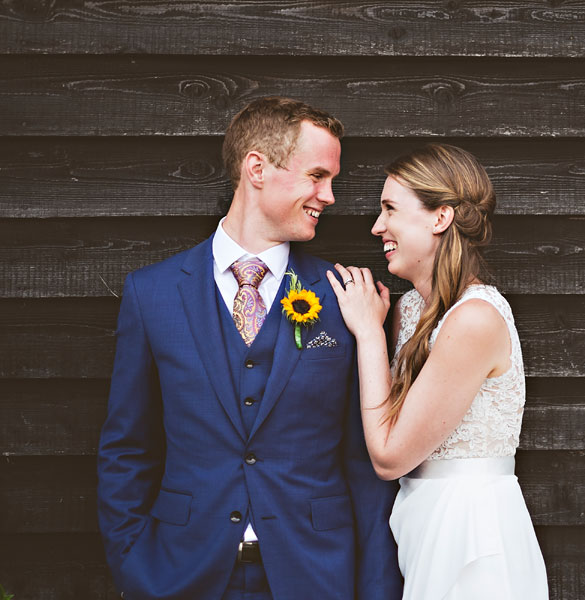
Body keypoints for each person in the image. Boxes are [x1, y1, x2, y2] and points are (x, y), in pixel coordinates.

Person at [96, 97, 403, 600]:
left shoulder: (346, 297)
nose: (329, 196)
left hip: (315, 574)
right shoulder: (151, 293)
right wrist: (134, 565)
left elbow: (362, 460)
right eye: (317, 176)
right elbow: (128, 447)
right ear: (256, 168)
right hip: (179, 573)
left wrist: (373, 588)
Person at [326, 143, 549, 600]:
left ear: (440, 218)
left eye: (390, 208)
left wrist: (368, 334)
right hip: (421, 518)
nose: (377, 226)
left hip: (470, 529)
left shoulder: (474, 318)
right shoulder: (411, 308)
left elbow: (389, 456)